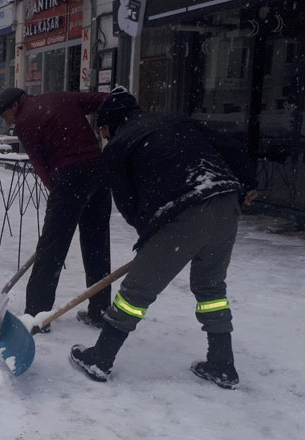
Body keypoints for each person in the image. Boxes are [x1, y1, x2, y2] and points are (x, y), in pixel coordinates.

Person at [69, 87, 258, 390]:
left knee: (136, 292)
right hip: (226, 201)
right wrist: (249, 181)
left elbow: (128, 203)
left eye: (102, 128)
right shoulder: (177, 121)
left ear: (112, 122)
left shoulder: (118, 145)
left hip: (183, 207)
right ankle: (222, 363)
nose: (103, 135)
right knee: (211, 287)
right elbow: (231, 146)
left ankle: (100, 358)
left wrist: (151, 239)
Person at [0, 87, 112, 331]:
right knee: (96, 245)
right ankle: (99, 310)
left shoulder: (25, 123)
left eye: (5, 115)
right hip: (99, 172)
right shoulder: (60, 97)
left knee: (51, 248)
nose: (7, 121)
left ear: (15, 105)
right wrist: (109, 130)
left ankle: (37, 314)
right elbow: (105, 100)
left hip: (69, 178)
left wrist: (59, 195)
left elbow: (40, 166)